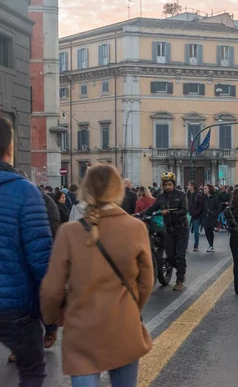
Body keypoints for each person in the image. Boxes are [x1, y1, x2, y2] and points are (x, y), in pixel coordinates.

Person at [40, 164, 153, 386]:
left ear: (86, 189)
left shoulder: (69, 232)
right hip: (123, 326)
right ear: (119, 190)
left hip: (82, 331)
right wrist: (131, 309)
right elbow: (146, 282)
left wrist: (52, 318)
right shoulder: (136, 227)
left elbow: (51, 289)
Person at [0, 117, 52, 386]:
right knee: (31, 371)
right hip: (15, 309)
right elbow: (40, 260)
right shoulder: (25, 192)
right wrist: (51, 318)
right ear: (10, 147)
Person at [140, 172, 188, 291]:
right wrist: (140, 214)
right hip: (168, 230)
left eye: (169, 184)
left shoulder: (181, 195)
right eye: (165, 184)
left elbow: (184, 210)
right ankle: (180, 269)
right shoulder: (161, 197)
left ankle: (180, 280)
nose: (167, 187)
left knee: (179, 255)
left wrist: (170, 212)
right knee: (170, 257)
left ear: (174, 184)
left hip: (181, 229)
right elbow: (152, 208)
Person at [201, 184, 220, 252]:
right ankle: (210, 244)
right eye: (204, 188)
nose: (204, 190)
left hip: (212, 218)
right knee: (206, 231)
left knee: (210, 231)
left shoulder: (215, 197)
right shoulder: (204, 198)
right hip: (205, 217)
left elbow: (218, 208)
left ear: (209, 189)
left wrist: (214, 214)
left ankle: (211, 245)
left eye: (205, 188)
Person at [188, 182, 204, 252]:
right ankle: (186, 245)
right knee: (186, 231)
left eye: (188, 185)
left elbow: (200, 207)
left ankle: (196, 245)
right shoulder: (188, 194)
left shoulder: (198, 195)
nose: (187, 186)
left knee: (196, 231)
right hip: (188, 215)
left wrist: (196, 214)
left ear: (192, 186)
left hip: (196, 216)